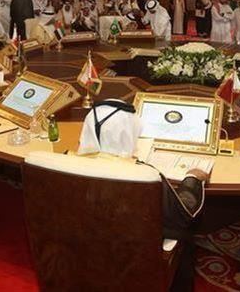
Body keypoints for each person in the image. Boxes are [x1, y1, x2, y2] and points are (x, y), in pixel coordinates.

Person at [77, 99, 208, 290]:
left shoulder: (65, 165)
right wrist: (192, 179)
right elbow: (183, 213)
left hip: (83, 254)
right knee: (186, 234)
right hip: (133, 260)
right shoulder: (144, 175)